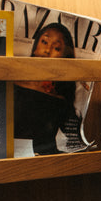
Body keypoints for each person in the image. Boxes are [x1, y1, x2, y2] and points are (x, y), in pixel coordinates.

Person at [14, 22, 77, 154]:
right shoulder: (12, 81)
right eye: (44, 41)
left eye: (57, 48)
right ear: (35, 45)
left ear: (65, 58)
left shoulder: (59, 100)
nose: (47, 50)